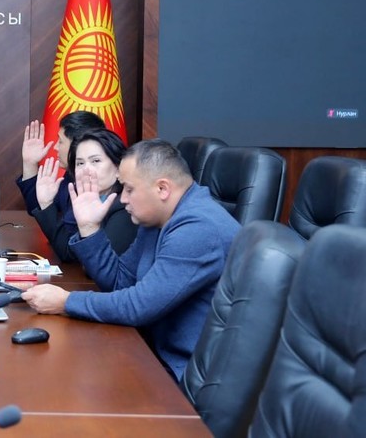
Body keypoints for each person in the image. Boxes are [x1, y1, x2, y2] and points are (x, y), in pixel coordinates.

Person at [21, 139, 240, 380]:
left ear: (162, 189)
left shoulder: (198, 229)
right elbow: (120, 282)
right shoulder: (158, 217)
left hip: (182, 374)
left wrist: (66, 302)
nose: (123, 198)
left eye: (129, 189)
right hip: (151, 350)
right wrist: (89, 227)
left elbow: (138, 306)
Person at [31, 129, 137, 260]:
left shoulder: (125, 207)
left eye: (96, 161)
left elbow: (99, 263)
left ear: (118, 167)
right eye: (80, 163)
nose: (86, 169)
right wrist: (46, 203)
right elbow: (68, 253)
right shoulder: (87, 200)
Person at [16, 111, 105, 261]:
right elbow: (39, 209)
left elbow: (68, 249)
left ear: (77, 145)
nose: (56, 147)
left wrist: (46, 205)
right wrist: (30, 164)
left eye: (61, 141)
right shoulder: (71, 176)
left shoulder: (93, 184)